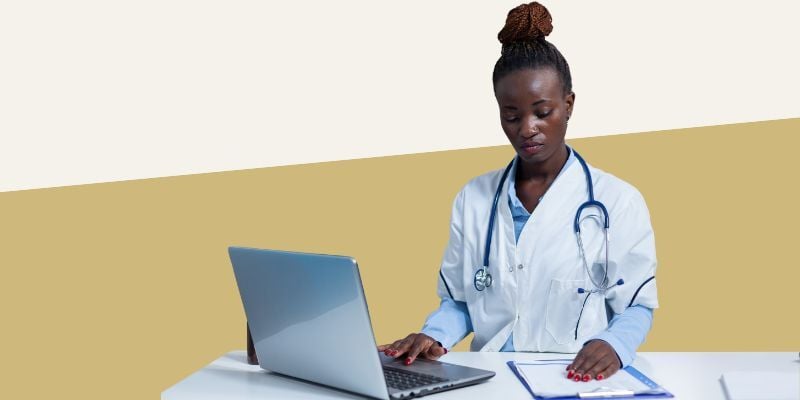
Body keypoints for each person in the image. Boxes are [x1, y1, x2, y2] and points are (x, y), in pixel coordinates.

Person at [377, 2, 658, 382]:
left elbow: (637, 305)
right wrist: (434, 336)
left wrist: (615, 345)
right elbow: (460, 301)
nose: (527, 128)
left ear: (569, 105)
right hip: (489, 378)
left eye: (542, 112)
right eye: (511, 115)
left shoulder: (618, 202)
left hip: (571, 378)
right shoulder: (473, 198)